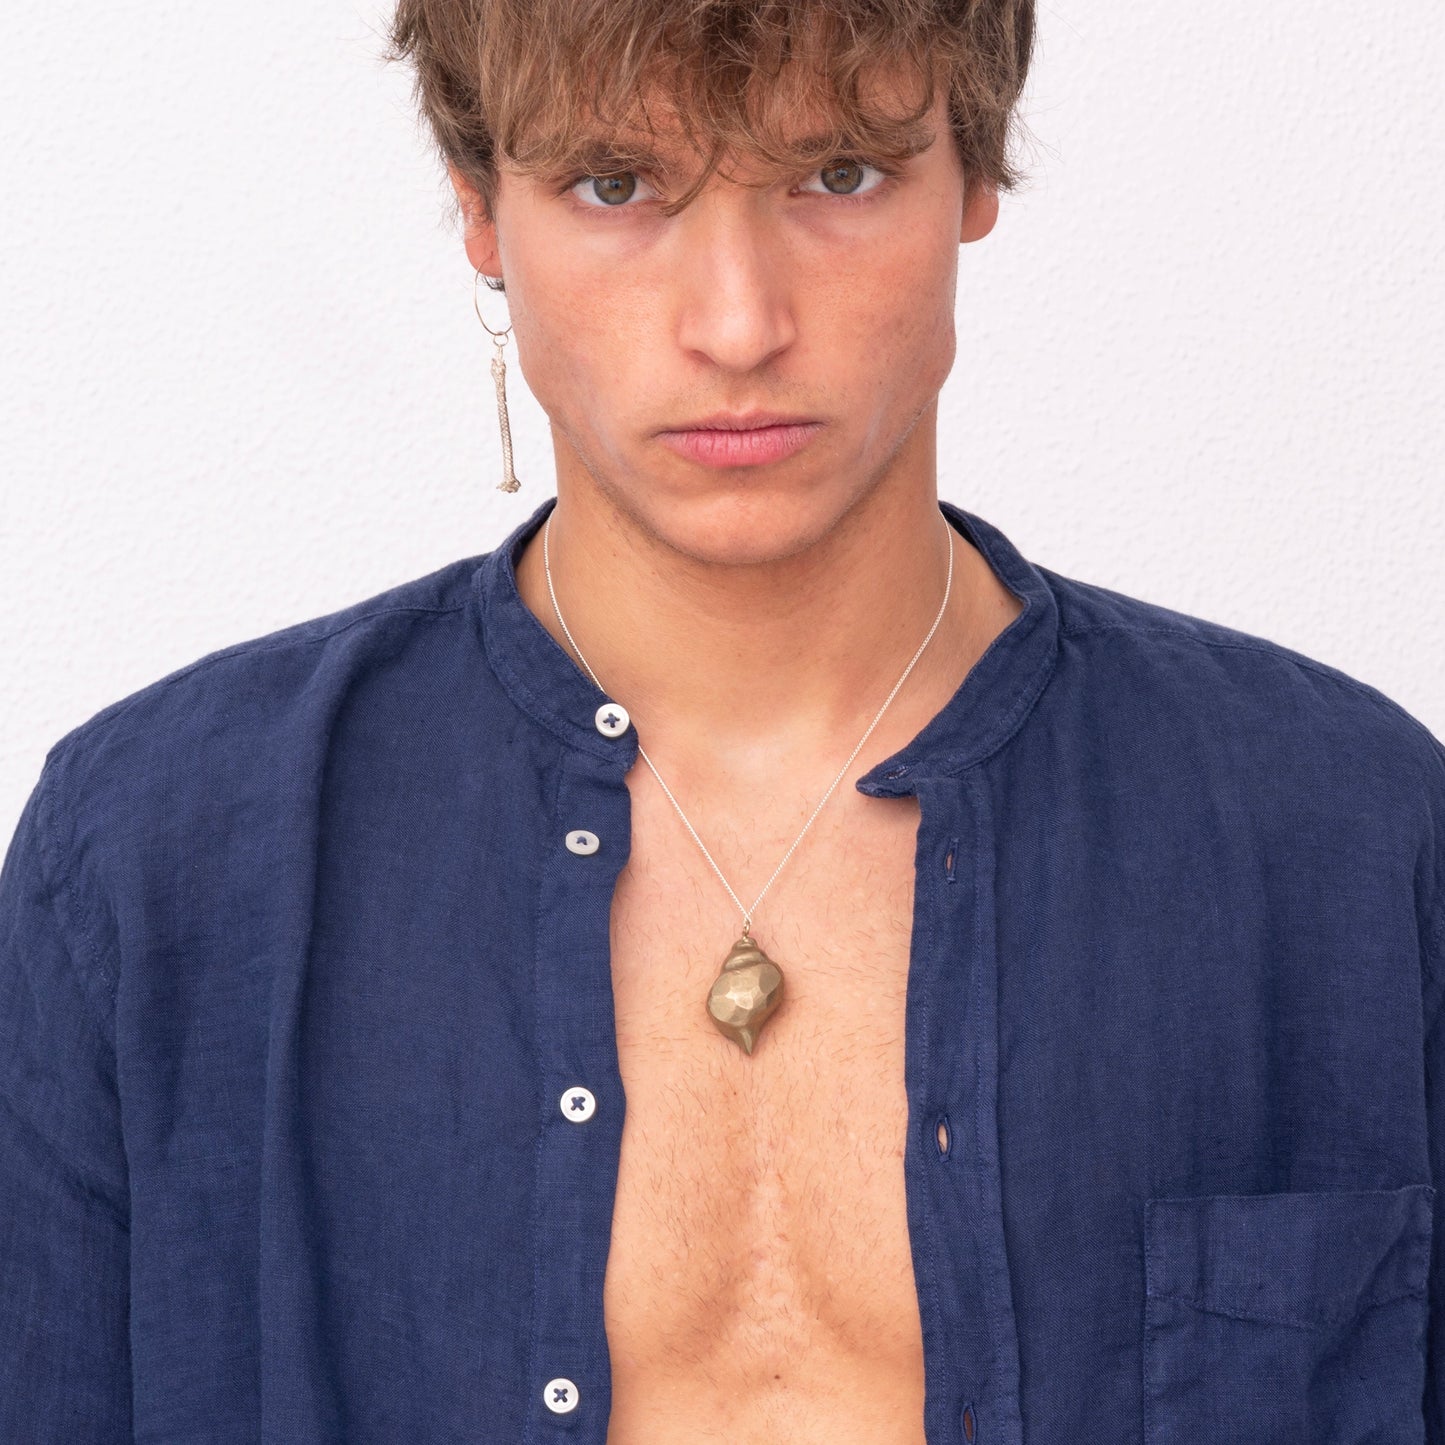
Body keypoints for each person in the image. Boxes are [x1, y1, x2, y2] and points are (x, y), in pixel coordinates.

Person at [2, 0, 1442, 1440]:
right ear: (480, 209)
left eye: (840, 177)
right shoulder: (155, 862)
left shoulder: (1350, 837)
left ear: (976, 177)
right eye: (615, 187)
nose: (739, 324)